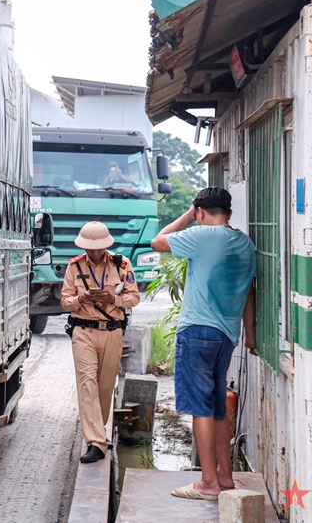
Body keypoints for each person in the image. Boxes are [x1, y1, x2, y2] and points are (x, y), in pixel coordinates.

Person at [150, 187, 256, 501]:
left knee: (199, 409)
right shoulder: (245, 244)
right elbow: (250, 293)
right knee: (216, 409)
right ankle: (225, 477)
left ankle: (207, 483)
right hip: (226, 335)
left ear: (200, 212)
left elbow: (158, 241)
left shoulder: (203, 235)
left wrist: (188, 213)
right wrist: (249, 334)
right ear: (230, 213)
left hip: (196, 331)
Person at [61, 221, 141, 463]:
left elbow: (134, 297)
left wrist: (112, 299)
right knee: (87, 384)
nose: (94, 253)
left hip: (112, 331)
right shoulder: (74, 267)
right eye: (90, 249)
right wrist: (80, 299)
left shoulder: (122, 264)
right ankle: (95, 442)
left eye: (98, 249)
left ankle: (99, 432)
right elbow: (65, 302)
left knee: (105, 387)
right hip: (83, 330)